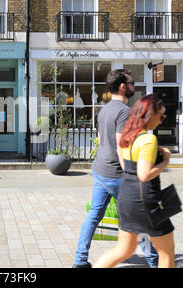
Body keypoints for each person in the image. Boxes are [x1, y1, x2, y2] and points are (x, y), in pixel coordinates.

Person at [73, 69, 159, 268]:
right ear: (123, 86)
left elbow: (102, 140)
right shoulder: (123, 111)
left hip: (101, 169)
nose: (134, 85)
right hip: (117, 175)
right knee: (141, 217)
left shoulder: (104, 109)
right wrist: (131, 176)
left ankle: (79, 261)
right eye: (131, 82)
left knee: (93, 216)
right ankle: (157, 263)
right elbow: (123, 145)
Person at [94, 94, 176, 268]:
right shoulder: (148, 139)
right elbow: (144, 175)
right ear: (149, 114)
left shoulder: (128, 136)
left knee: (123, 250)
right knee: (166, 252)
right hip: (146, 202)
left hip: (127, 198)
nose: (161, 121)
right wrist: (165, 161)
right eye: (160, 116)